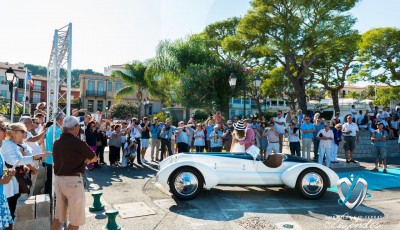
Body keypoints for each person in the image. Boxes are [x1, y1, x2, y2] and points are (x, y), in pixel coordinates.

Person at [51, 116, 97, 230]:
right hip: (73, 183)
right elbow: (94, 158)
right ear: (75, 127)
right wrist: (86, 160)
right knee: (75, 220)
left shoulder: (57, 142)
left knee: (58, 217)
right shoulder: (78, 142)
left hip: (58, 181)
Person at [1, 123, 47, 220]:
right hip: (7, 182)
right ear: (13, 133)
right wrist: (34, 157)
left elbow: (26, 154)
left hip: (12, 180)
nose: (24, 134)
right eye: (22, 131)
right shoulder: (7, 144)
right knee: (9, 210)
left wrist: (23, 147)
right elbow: (16, 160)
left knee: (12, 208)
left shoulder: (14, 143)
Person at [44, 112, 65, 196]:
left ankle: (48, 200)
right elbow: (61, 146)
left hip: (50, 159)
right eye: (64, 119)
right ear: (60, 120)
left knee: (49, 181)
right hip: (54, 160)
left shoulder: (51, 128)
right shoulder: (57, 130)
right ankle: (50, 202)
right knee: (52, 182)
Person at [0, 120, 15, 230]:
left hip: (1, 195)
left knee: (8, 226)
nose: (6, 132)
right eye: (4, 129)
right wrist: (3, 180)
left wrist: (7, 174)